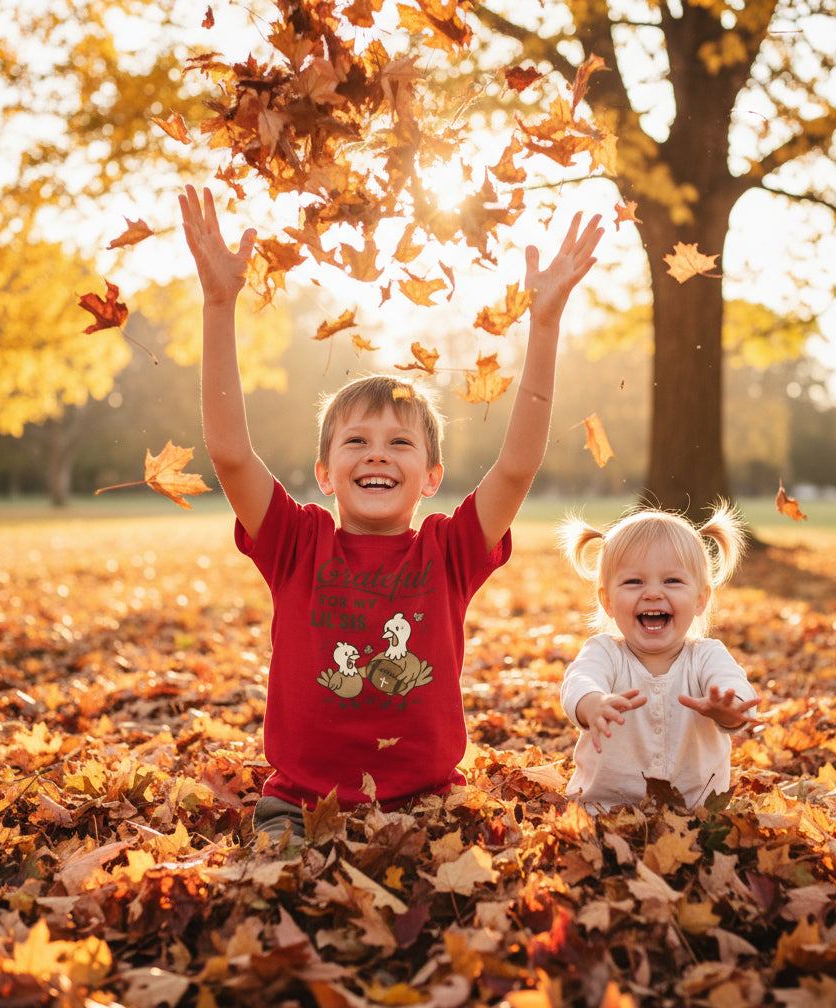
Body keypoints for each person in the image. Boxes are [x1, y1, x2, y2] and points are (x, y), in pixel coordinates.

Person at [178, 184, 603, 842]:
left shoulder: (448, 550)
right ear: (325, 473)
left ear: (431, 477)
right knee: (281, 912)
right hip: (299, 807)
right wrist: (217, 305)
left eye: (400, 442)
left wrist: (543, 327)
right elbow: (231, 454)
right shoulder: (295, 540)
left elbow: (516, 467)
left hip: (427, 804)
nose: (378, 454)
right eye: (356, 441)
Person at [558, 503, 758, 812]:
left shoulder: (707, 657)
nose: (653, 593)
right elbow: (579, 681)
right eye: (634, 582)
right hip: (605, 812)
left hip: (697, 814)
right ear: (607, 601)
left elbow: (734, 688)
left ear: (700, 600)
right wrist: (592, 703)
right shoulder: (605, 652)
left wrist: (728, 709)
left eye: (672, 581)